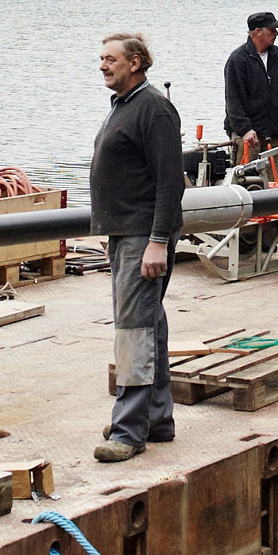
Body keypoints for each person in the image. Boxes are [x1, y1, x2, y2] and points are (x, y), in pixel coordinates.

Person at [89, 31, 184, 462]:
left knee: (133, 331)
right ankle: (157, 419)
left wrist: (157, 242)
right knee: (150, 325)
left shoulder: (154, 110)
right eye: (101, 59)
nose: (102, 65)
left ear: (136, 63)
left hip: (143, 235)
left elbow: (170, 182)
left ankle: (128, 431)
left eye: (111, 59)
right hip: (125, 234)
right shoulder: (124, 105)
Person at [223, 10, 278, 177]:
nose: (276, 33)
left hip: (274, 137)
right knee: (248, 183)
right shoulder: (237, 59)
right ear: (257, 31)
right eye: (272, 30)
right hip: (248, 139)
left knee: (274, 180)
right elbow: (233, 101)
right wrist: (245, 130)